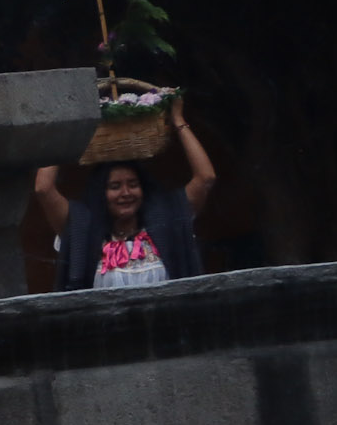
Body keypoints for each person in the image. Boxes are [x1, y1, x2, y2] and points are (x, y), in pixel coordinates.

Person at [33, 98, 217, 291]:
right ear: (101, 193)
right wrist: (63, 128)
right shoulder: (83, 227)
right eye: (115, 186)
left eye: (133, 184)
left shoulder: (168, 218)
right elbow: (43, 189)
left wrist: (178, 120)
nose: (126, 193)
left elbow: (205, 178)